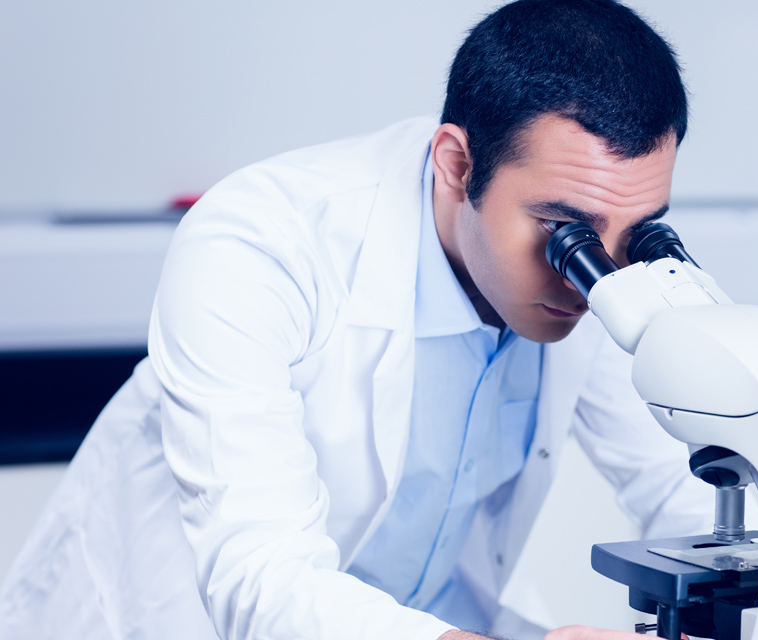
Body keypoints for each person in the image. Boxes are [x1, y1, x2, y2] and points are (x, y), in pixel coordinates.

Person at [0, 1, 712, 639]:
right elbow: (265, 582)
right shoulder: (260, 244)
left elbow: (691, 499)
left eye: (635, 235)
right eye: (564, 230)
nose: (593, 282)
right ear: (458, 165)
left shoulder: (603, 273)